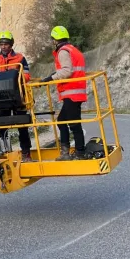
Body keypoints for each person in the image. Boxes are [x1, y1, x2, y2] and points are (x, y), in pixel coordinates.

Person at [42, 26, 87, 161]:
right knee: (63, 121)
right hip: (76, 92)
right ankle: (68, 152)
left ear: (55, 40)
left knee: (73, 124)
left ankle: (78, 153)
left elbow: (67, 71)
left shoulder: (63, 51)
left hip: (71, 93)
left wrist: (51, 78)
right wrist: (53, 75)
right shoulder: (73, 49)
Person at [0, 31, 32, 162]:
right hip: (1, 98)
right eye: (1, 44)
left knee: (22, 126)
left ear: (11, 44)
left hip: (18, 95)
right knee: (1, 126)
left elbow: (27, 75)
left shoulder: (20, 58)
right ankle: (3, 153)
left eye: (6, 44)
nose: (3, 46)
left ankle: (26, 153)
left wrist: (14, 79)